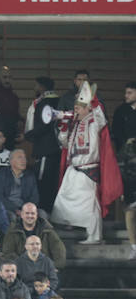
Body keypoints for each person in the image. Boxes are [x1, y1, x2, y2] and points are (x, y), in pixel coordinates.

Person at [52, 83, 122, 244]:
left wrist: (92, 101)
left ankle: (95, 235)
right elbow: (66, 146)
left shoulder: (94, 121)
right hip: (73, 169)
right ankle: (70, 226)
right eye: (75, 107)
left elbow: (99, 114)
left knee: (90, 204)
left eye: (79, 107)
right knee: (64, 199)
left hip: (87, 169)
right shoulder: (74, 124)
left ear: (87, 108)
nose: (75, 109)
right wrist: (64, 130)